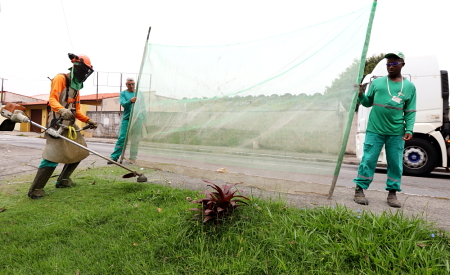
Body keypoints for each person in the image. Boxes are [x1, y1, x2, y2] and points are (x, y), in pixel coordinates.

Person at [28, 53, 98, 199]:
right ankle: (36, 190)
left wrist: (88, 120)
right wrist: (61, 109)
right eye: (83, 69)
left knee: (80, 151)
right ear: (76, 66)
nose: (85, 73)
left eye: (87, 71)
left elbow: (76, 111)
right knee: (52, 156)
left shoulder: (77, 87)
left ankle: (64, 180)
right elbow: (52, 99)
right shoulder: (61, 78)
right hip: (56, 123)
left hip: (70, 125)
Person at [353, 51, 416, 208]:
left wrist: (409, 129)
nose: (390, 66)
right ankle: (359, 189)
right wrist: (361, 95)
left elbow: (410, 111)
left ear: (402, 64)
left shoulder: (409, 87)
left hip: (396, 132)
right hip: (375, 130)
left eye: (394, 63)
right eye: (388, 63)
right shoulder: (377, 83)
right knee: (368, 159)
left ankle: (392, 193)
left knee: (395, 163)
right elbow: (367, 103)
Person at [108, 77, 144, 164]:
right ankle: (114, 157)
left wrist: (145, 120)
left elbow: (143, 107)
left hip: (138, 119)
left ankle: (132, 158)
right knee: (122, 138)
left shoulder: (139, 93)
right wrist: (130, 101)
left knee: (135, 139)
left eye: (133, 84)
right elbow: (123, 104)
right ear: (126, 85)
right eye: (129, 84)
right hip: (127, 119)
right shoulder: (123, 93)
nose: (131, 86)